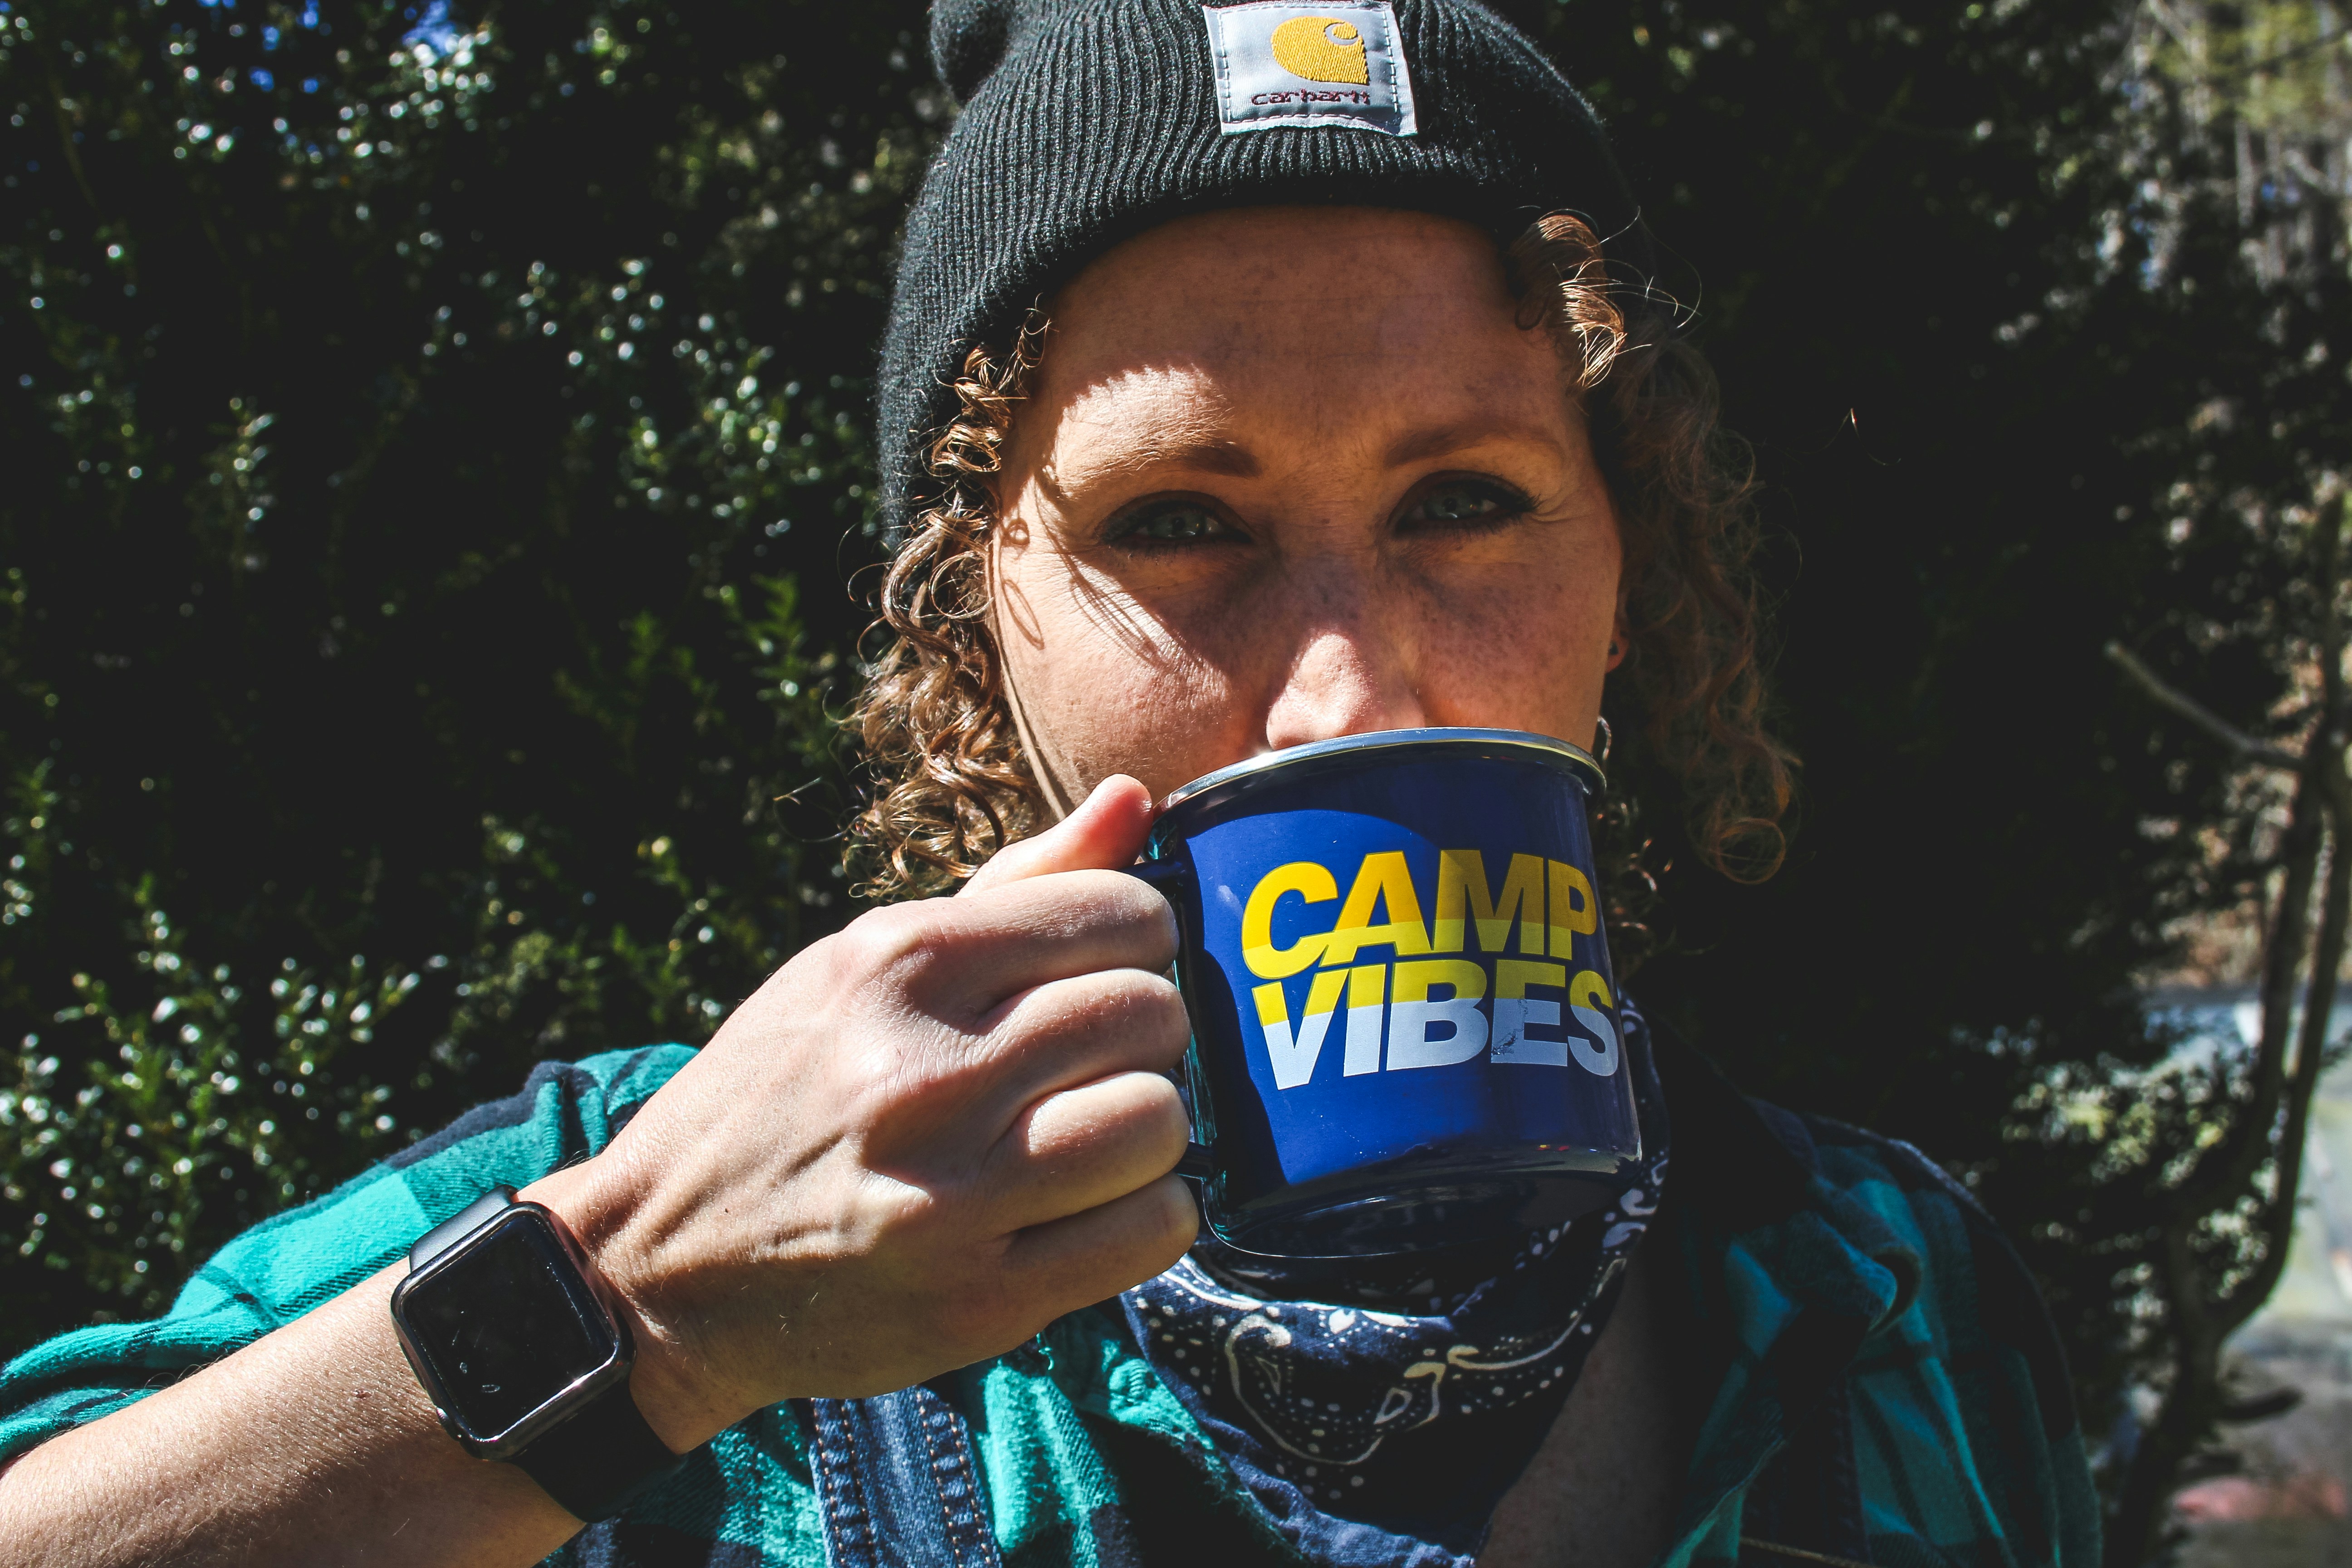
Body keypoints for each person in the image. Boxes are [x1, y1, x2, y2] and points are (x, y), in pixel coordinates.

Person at [0, 2, 2102, 1565]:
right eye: (1183, 520)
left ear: (1628, 570)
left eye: (1469, 497)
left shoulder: (1891, 1298)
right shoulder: (654, 1212)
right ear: (972, 608)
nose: (1345, 693)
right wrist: (631, 1311)